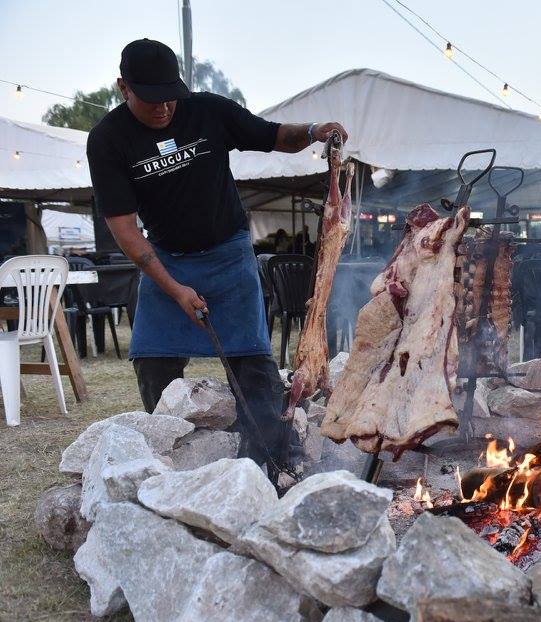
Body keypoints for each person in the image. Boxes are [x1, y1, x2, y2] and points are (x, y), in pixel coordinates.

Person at [86, 38, 348, 474]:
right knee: (152, 361)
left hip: (229, 254)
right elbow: (125, 229)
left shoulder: (207, 110)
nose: (163, 108)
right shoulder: (108, 140)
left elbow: (270, 135)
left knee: (253, 363)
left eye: (171, 96)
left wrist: (311, 132)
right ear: (123, 88)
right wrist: (173, 289)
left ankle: (270, 462)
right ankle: (174, 461)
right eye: (151, 99)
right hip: (165, 258)